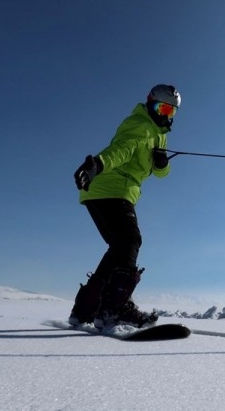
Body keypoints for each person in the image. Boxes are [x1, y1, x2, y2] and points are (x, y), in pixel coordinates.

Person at [68, 84, 181, 329]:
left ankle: (85, 310)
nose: (165, 115)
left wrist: (161, 163)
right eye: (162, 108)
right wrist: (97, 164)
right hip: (111, 186)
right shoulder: (139, 125)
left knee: (119, 248)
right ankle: (114, 309)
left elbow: (160, 174)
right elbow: (121, 150)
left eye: (171, 112)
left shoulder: (159, 134)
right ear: (150, 103)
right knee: (130, 240)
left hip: (119, 191)